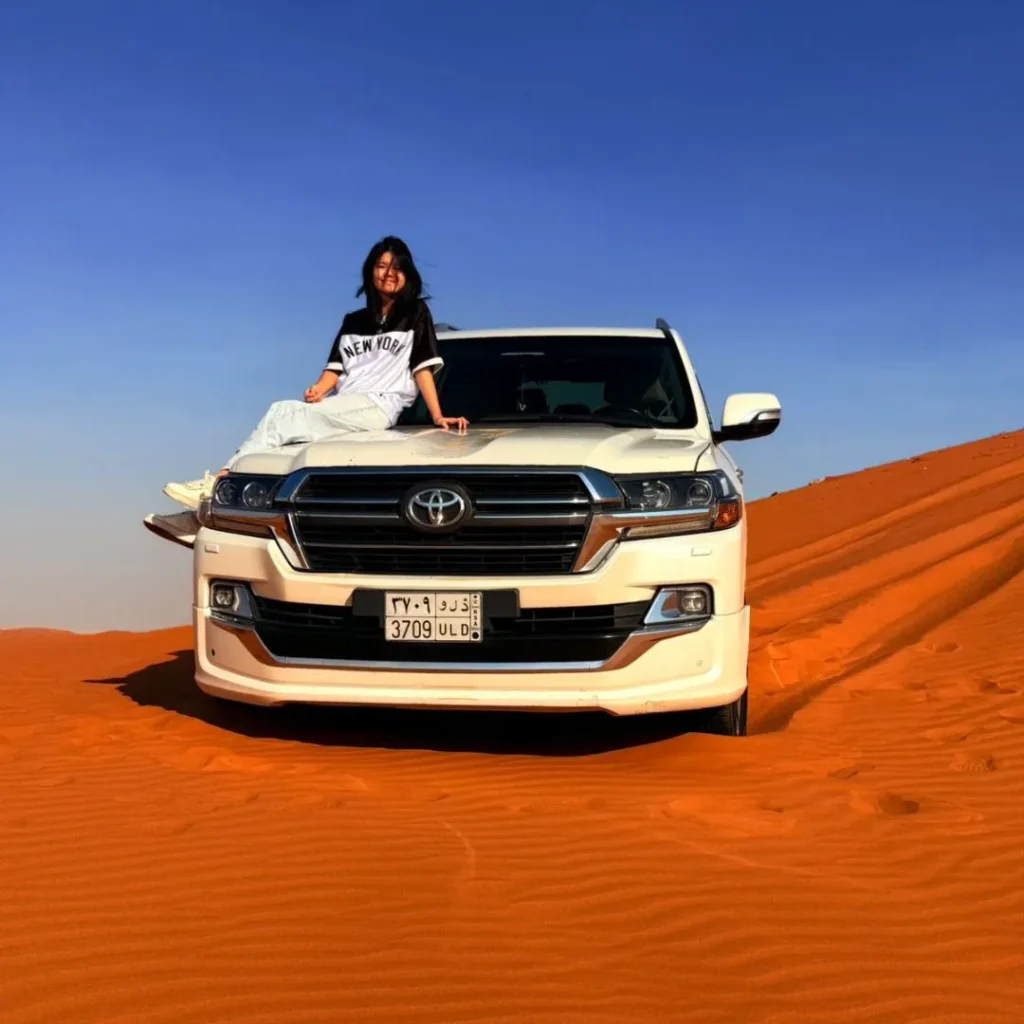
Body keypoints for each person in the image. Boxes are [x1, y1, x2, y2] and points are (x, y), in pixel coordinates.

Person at [144, 236, 467, 546]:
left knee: (281, 413)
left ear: (408, 273)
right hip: (346, 406)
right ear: (370, 271)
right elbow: (335, 369)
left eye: (397, 267)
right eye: (382, 266)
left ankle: (215, 486)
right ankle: (203, 518)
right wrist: (319, 390)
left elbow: (421, 366)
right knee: (277, 455)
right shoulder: (354, 320)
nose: (389, 273)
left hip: (379, 406)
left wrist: (437, 415)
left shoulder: (416, 314)